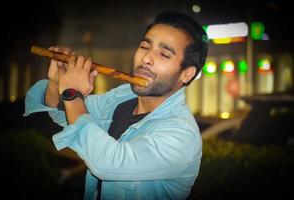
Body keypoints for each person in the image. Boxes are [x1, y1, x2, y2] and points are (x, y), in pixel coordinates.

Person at [24, 11, 208, 200]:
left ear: (186, 74)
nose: (146, 59)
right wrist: (58, 82)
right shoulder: (123, 96)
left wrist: (73, 94)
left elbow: (108, 162)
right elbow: (64, 114)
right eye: (145, 46)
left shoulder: (181, 134)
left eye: (163, 54)